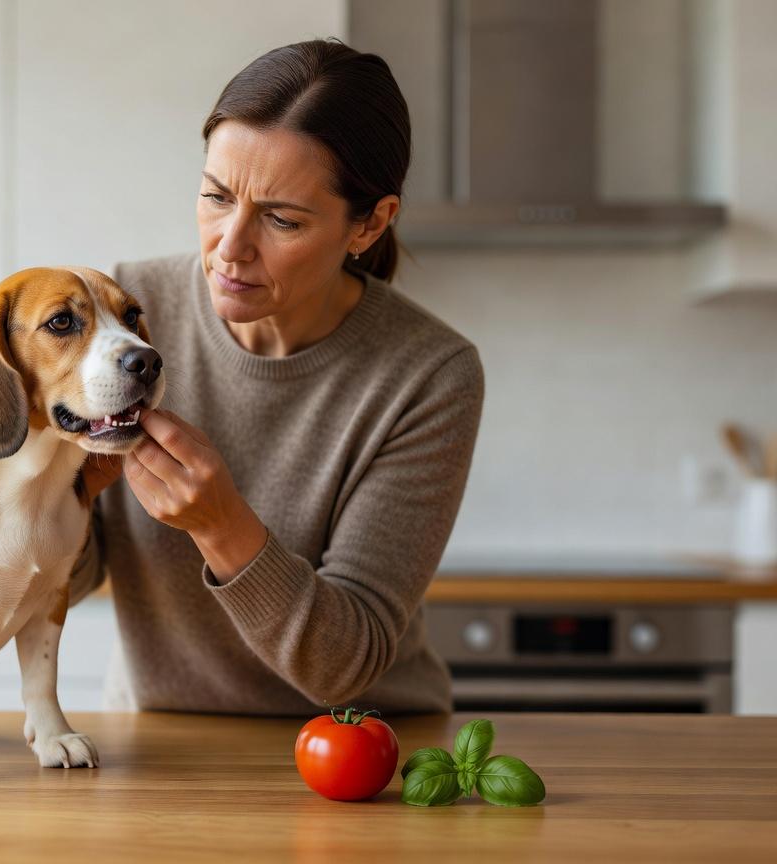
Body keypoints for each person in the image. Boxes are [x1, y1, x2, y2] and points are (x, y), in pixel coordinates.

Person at [67, 39, 485, 716]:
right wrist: (57, 494)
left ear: (369, 224)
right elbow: (73, 577)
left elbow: (347, 665)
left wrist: (222, 525)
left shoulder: (429, 375)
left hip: (365, 752)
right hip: (160, 745)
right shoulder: (130, 308)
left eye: (282, 219)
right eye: (214, 196)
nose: (229, 248)